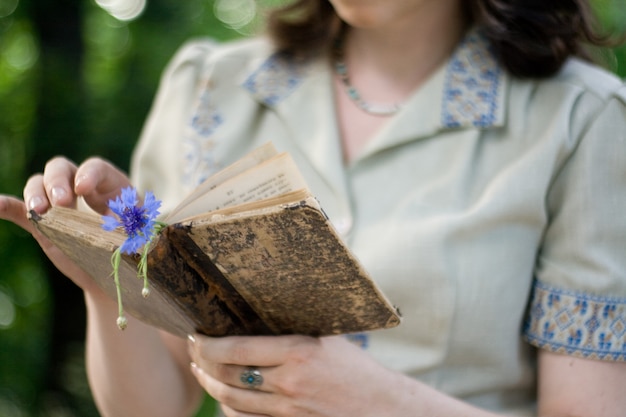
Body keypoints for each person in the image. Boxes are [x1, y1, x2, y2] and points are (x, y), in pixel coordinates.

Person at [2, 0, 626, 416]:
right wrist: (107, 281)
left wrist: (374, 402)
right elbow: (155, 405)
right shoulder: (207, 90)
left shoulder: (583, 122)